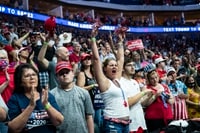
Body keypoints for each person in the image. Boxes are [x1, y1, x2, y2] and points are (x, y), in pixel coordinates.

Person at [90, 26, 130, 133]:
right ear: (104, 69)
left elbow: (121, 59)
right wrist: (93, 39)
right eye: (111, 65)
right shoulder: (104, 82)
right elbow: (96, 59)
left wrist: (120, 41)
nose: (115, 67)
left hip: (126, 124)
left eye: (115, 65)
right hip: (112, 124)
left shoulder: (117, 79)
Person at [7, 63, 64, 133]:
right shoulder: (15, 99)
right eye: (27, 76)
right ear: (20, 82)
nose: (32, 78)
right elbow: (14, 128)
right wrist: (31, 106)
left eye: (34, 75)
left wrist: (46, 105)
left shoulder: (46, 95)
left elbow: (59, 121)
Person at [50, 61, 94, 133]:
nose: (64, 75)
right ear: (57, 77)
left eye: (67, 72)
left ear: (73, 73)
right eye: (61, 73)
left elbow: (89, 116)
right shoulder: (52, 95)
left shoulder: (84, 93)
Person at [120, 57, 152, 132]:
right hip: (130, 123)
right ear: (123, 69)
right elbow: (128, 103)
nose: (132, 67)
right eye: (129, 65)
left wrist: (151, 96)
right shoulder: (121, 82)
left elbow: (140, 103)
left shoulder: (134, 82)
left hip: (140, 121)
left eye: (133, 65)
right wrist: (143, 92)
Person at [76, 53, 104, 133]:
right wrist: (92, 86)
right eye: (85, 59)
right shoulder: (82, 74)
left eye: (89, 59)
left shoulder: (94, 72)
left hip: (97, 102)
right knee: (91, 125)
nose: (88, 60)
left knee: (98, 124)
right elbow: (79, 89)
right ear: (82, 61)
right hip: (89, 102)